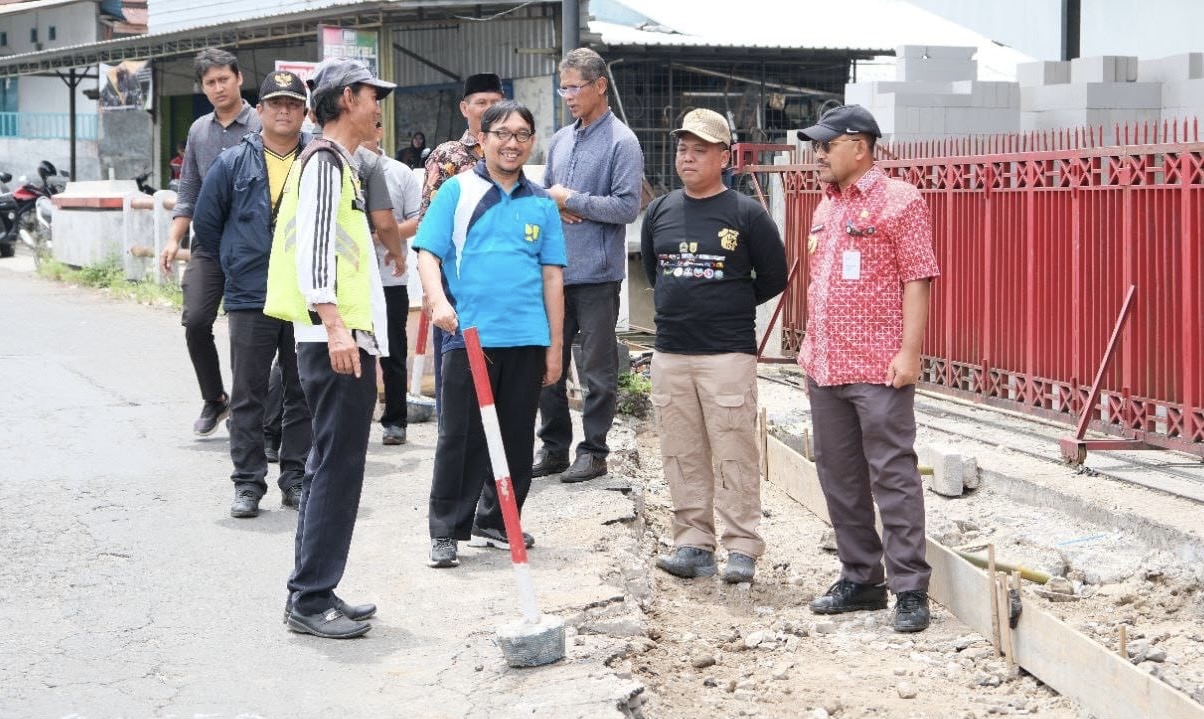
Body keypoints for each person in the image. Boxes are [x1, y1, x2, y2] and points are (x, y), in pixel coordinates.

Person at [264, 58, 400, 639]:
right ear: (348, 98)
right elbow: (316, 251)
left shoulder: (337, 163)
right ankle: (310, 598)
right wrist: (338, 326)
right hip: (332, 337)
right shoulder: (324, 163)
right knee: (335, 468)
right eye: (374, 97)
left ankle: (316, 587)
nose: (379, 109)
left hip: (340, 335)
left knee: (330, 467)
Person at [796, 105, 940, 633]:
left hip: (879, 367)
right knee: (839, 476)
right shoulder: (825, 207)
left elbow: (918, 278)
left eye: (826, 145)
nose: (817, 154)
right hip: (826, 365)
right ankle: (861, 579)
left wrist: (910, 351)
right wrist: (811, 347)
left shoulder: (901, 200)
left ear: (859, 146)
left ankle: (909, 588)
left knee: (893, 474)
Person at [414, 100, 566, 569]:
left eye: (522, 134)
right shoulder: (457, 192)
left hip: (527, 337)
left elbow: (552, 277)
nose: (512, 142)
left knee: (517, 437)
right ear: (482, 138)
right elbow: (427, 253)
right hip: (470, 336)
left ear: (532, 142)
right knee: (460, 437)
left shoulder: (541, 203)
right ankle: (446, 530)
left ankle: (498, 520)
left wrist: (556, 346)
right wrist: (437, 302)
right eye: (502, 133)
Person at [643, 109, 787, 584]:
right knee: (681, 452)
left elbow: (772, 277)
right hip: (670, 353)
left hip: (727, 354)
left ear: (724, 157)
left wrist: (725, 305)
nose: (687, 157)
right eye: (683, 148)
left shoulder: (746, 214)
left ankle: (742, 547)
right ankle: (693, 544)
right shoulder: (661, 210)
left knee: (733, 450)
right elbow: (654, 270)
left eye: (699, 149)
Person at [191, 70, 314, 519]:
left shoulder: (318, 160)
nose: (284, 111)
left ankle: (296, 477)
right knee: (248, 392)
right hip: (251, 294)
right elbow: (207, 226)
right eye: (275, 104)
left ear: (305, 112)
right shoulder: (230, 163)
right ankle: (247, 483)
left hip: (306, 296)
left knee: (303, 390)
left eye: (293, 104)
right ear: (258, 110)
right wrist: (238, 263)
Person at [535, 47, 643, 483]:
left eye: (575, 87)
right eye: (563, 88)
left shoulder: (623, 142)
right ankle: (555, 448)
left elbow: (627, 207)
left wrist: (572, 200)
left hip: (598, 275)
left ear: (600, 86)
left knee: (598, 371)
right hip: (555, 273)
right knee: (548, 365)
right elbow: (544, 194)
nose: (568, 96)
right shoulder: (561, 140)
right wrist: (556, 205)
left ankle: (594, 451)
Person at [160, 48, 262, 436]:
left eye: (224, 79)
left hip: (255, 244)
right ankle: (214, 398)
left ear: (238, 78)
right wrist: (173, 240)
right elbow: (189, 191)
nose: (218, 87)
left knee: (248, 329)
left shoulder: (262, 122)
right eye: (210, 83)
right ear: (203, 88)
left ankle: (249, 408)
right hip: (208, 242)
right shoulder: (199, 130)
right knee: (197, 320)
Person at [419, 73, 505, 415]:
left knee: (500, 364)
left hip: (502, 279)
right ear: (464, 108)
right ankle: (453, 444)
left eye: (495, 103)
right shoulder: (449, 156)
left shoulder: (510, 150)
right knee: (455, 367)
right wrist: (430, 287)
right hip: (456, 281)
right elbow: (429, 224)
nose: (488, 110)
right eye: (481, 103)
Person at [363, 121, 422, 445]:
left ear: (380, 129)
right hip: (352, 278)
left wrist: (384, 235)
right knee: (357, 353)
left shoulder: (400, 173)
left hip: (390, 279)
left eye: (373, 126)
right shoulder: (341, 166)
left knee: (393, 351)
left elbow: (418, 218)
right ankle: (358, 418)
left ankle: (395, 420)